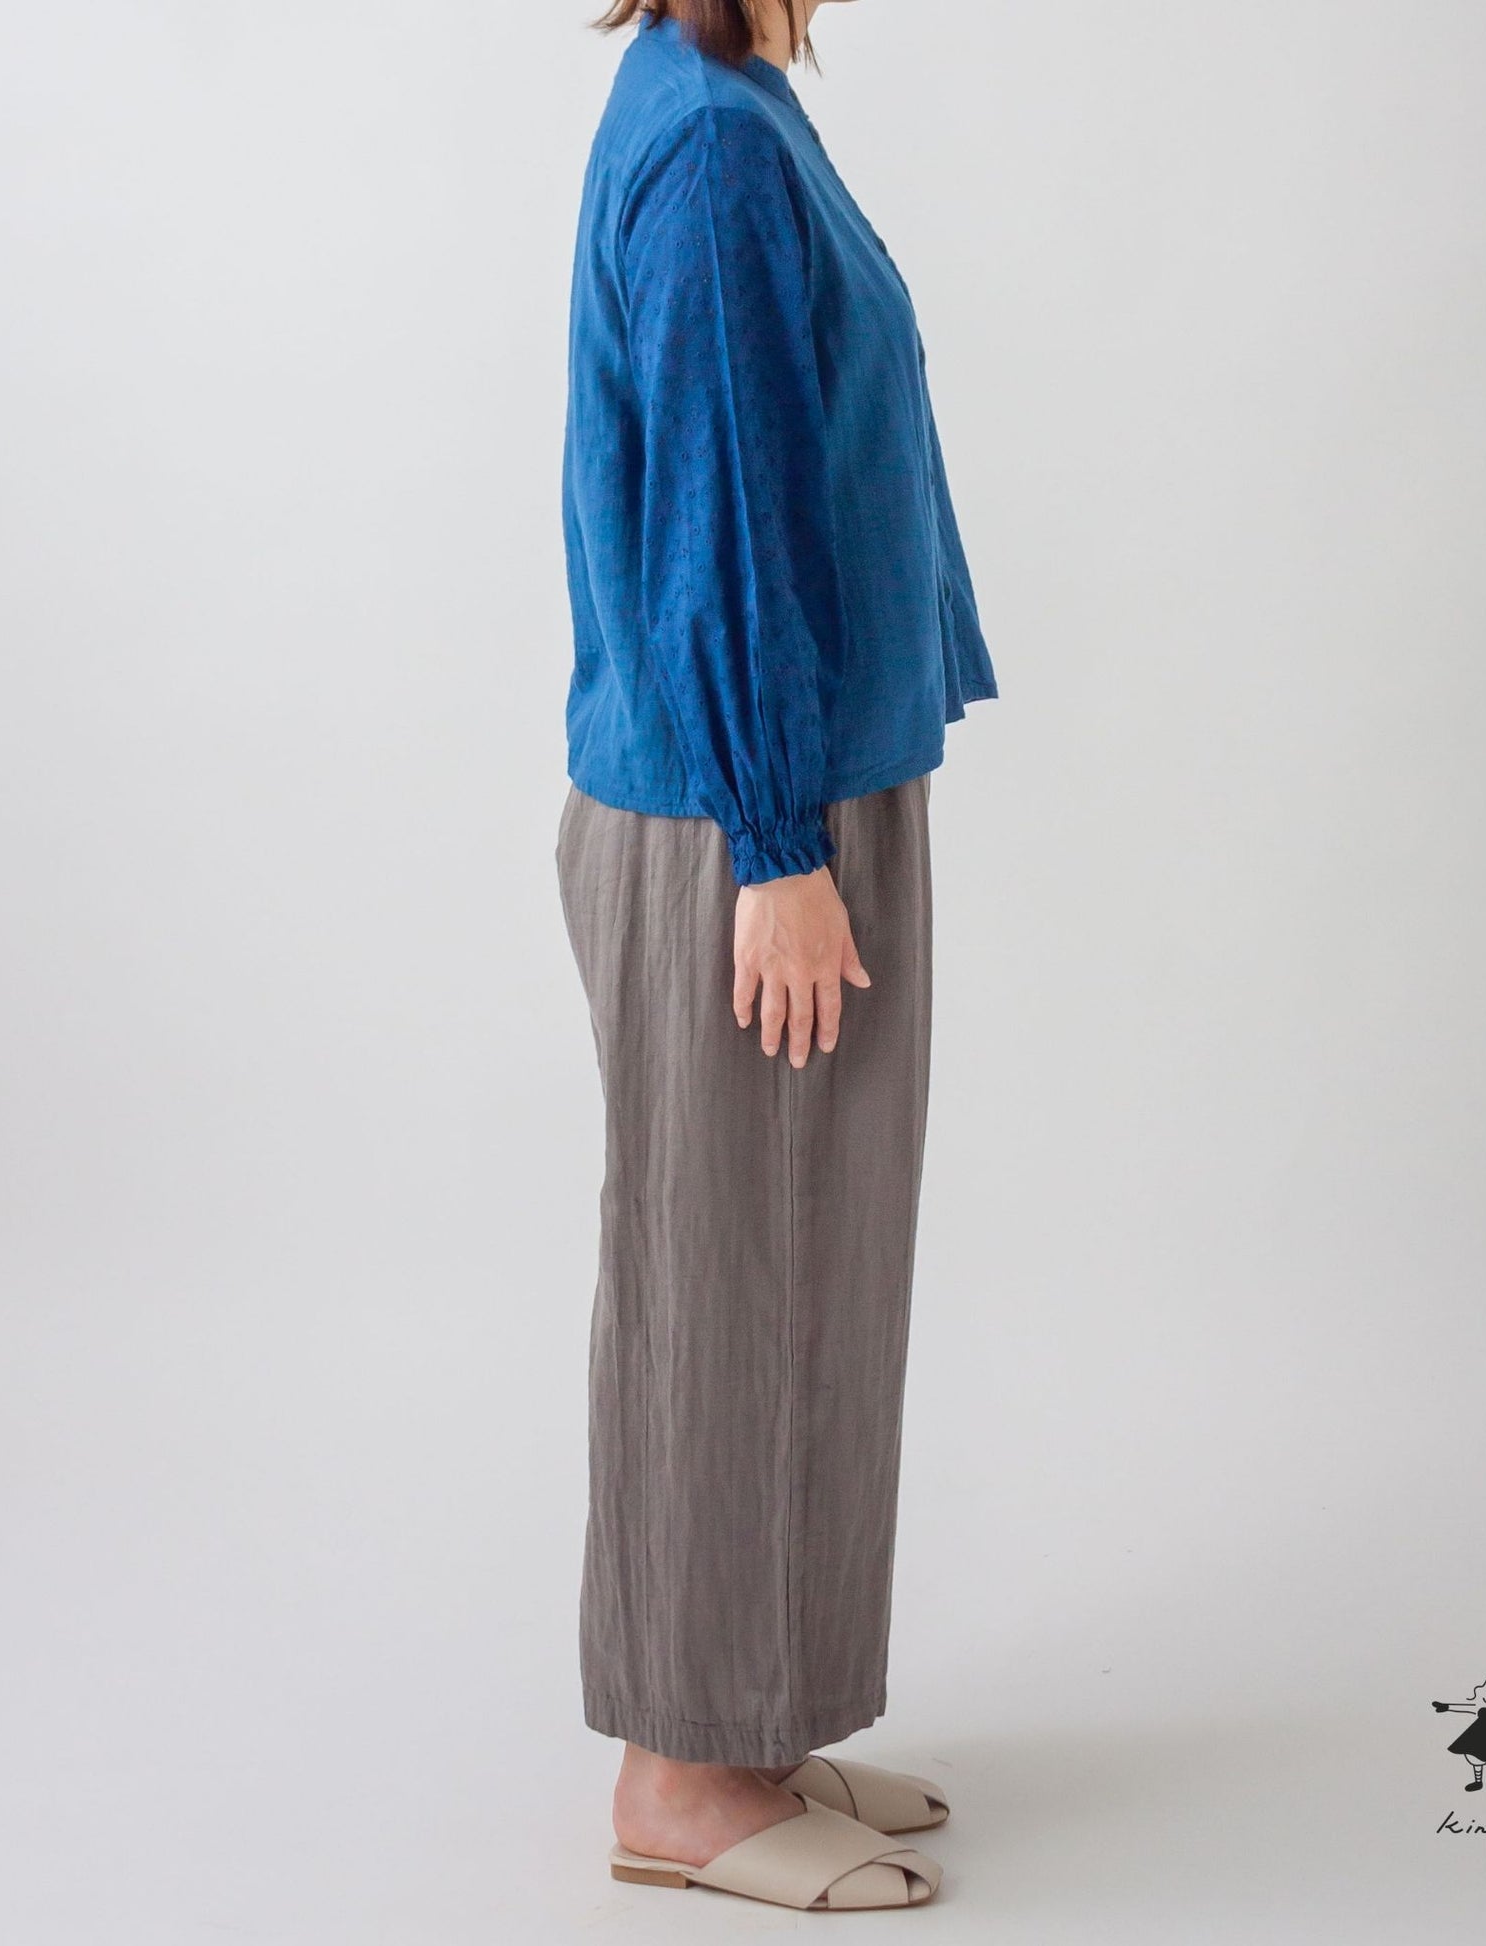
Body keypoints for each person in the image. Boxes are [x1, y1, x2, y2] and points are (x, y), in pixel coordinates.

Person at [555, 0, 999, 1910]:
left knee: (801, 1273)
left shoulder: (725, 99)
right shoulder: (715, 148)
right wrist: (774, 845)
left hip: (792, 793)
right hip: (748, 830)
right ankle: (680, 1776)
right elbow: (717, 519)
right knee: (731, 1285)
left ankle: (746, 1724)